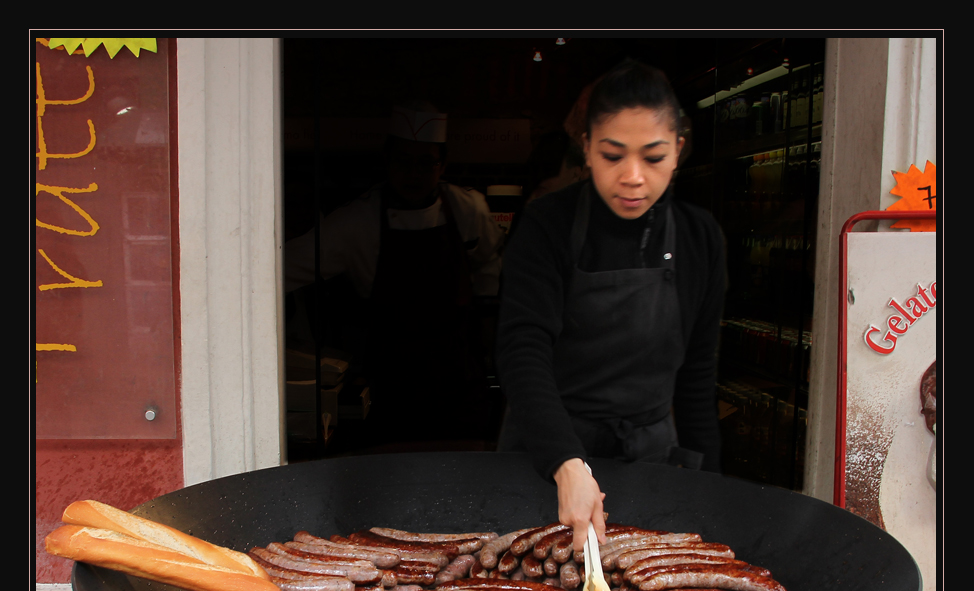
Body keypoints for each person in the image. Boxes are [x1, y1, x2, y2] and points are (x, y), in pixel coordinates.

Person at [495, 59, 726, 552]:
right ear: (586, 149)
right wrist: (565, 462)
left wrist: (713, 496)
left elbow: (697, 376)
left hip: (648, 459)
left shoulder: (699, 238)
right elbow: (522, 348)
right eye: (613, 155)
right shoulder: (546, 225)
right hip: (547, 454)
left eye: (654, 156)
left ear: (679, 152)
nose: (633, 177)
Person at [285, 101, 506, 442]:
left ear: (442, 164)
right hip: (392, 381)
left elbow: (490, 262)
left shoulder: (467, 207)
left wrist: (492, 344)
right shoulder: (355, 223)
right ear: (387, 161)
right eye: (404, 161)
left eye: (425, 162)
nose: (414, 174)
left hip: (460, 376)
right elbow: (283, 269)